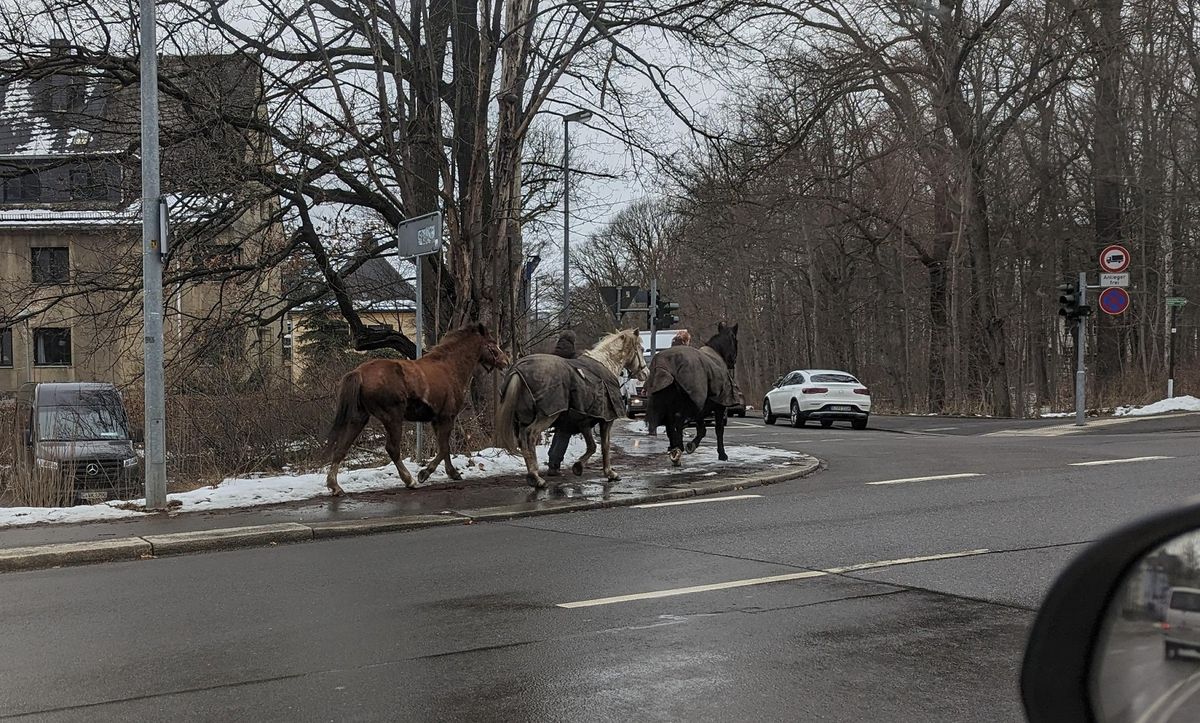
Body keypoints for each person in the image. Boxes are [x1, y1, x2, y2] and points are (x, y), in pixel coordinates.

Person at [547, 331, 577, 475]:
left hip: (552, 399)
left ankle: (552, 461)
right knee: (565, 431)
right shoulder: (571, 354)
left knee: (559, 430)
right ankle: (554, 464)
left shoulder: (554, 353)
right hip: (566, 399)